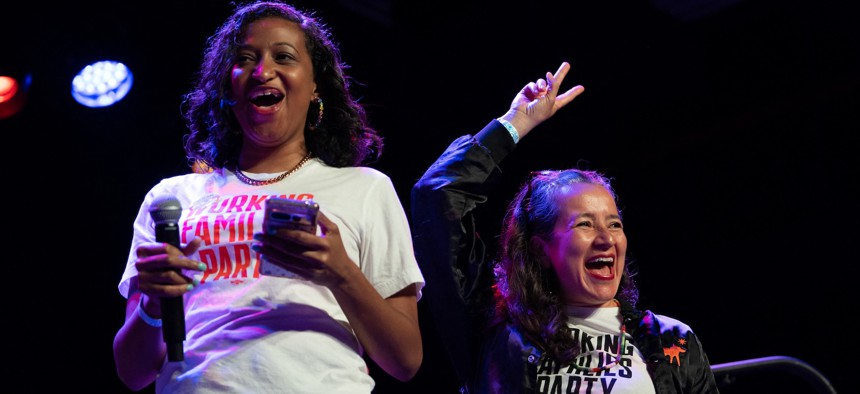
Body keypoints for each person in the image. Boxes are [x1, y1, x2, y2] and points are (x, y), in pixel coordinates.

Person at [113, 1, 424, 393]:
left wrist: (340, 272)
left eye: (284, 57)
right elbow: (132, 371)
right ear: (227, 87)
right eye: (245, 59)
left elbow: (405, 359)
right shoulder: (172, 199)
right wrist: (154, 306)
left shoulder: (364, 188)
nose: (262, 71)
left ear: (315, 88)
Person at [411, 62, 719, 393]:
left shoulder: (670, 341)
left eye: (614, 224)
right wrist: (515, 124)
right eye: (585, 224)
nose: (606, 239)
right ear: (542, 250)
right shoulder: (496, 333)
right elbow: (438, 195)